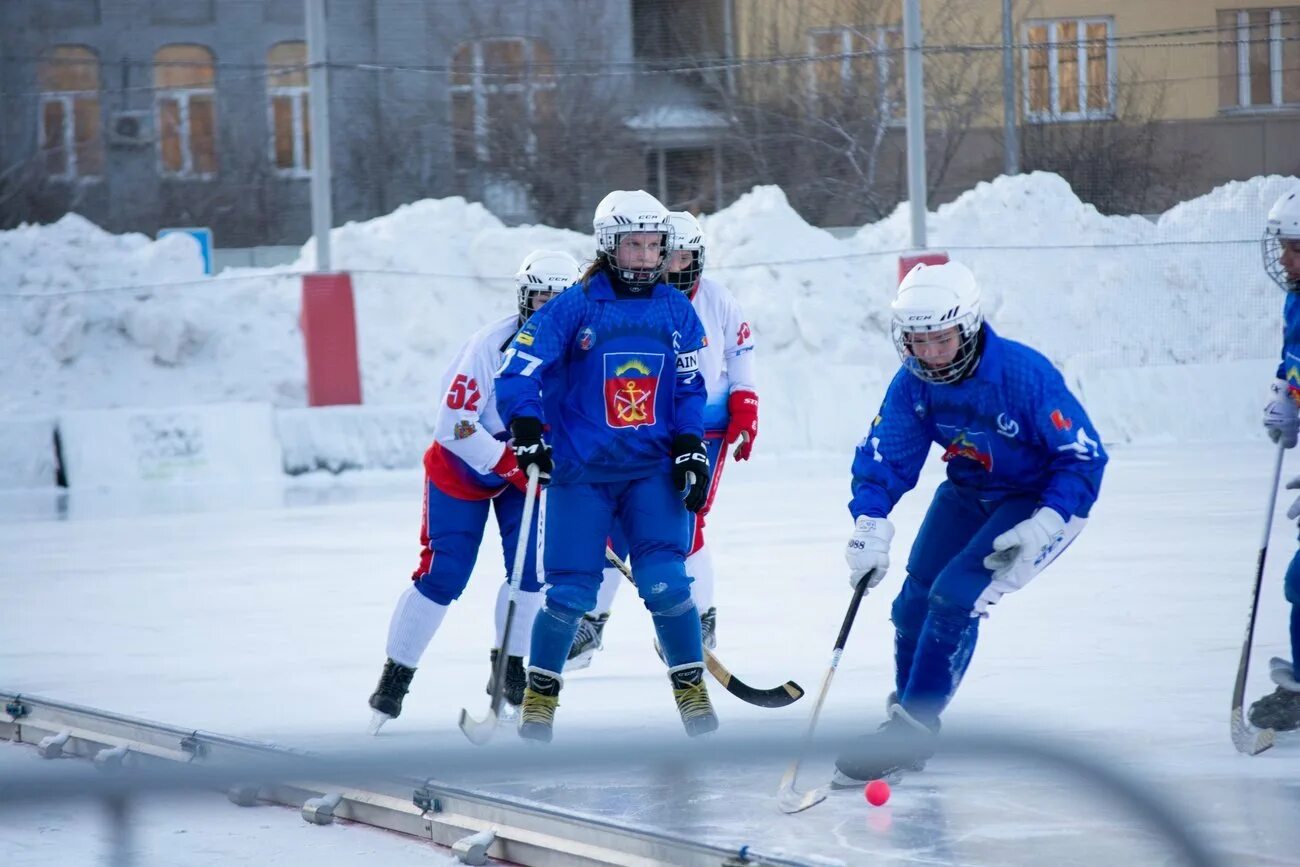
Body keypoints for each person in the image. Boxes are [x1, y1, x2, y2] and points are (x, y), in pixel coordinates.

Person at [833, 260, 1107, 784]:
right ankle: (907, 719)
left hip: (1038, 499)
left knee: (955, 596)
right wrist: (869, 521)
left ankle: (914, 726)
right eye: (917, 341)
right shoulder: (913, 384)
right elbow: (888, 455)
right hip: (968, 489)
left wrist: (1047, 522)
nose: (930, 355)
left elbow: (1084, 457)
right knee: (913, 602)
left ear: (969, 327)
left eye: (941, 340)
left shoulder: (1024, 376)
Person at [495, 190, 717, 741]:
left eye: (653, 246)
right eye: (633, 245)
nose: (644, 257)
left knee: (667, 584)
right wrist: (526, 430)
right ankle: (540, 703)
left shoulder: (676, 309)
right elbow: (516, 371)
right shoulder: (572, 307)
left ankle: (691, 692)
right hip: (581, 475)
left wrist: (691, 444)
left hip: (651, 473)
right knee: (570, 594)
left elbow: (690, 385)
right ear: (608, 246)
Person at [366, 249, 580, 733]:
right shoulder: (490, 345)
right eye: (540, 297)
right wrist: (508, 462)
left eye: (559, 299)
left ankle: (509, 673)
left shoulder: (580, 352)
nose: (548, 308)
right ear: (525, 298)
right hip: (463, 470)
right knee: (444, 575)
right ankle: (394, 681)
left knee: (531, 573)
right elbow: (453, 426)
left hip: (522, 472)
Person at [566, 209, 759, 668]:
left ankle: (701, 617)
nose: (677, 267)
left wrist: (745, 404)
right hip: (639, 423)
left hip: (703, 426)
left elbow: (740, 350)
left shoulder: (717, 299)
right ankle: (590, 622)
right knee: (613, 523)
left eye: (686, 257)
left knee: (685, 520)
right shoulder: (634, 299)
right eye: (669, 256)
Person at [1253, 186, 1300, 732]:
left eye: (1296, 248)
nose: (1284, 259)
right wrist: (1284, 394)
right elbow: (1294, 361)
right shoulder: (1298, 297)